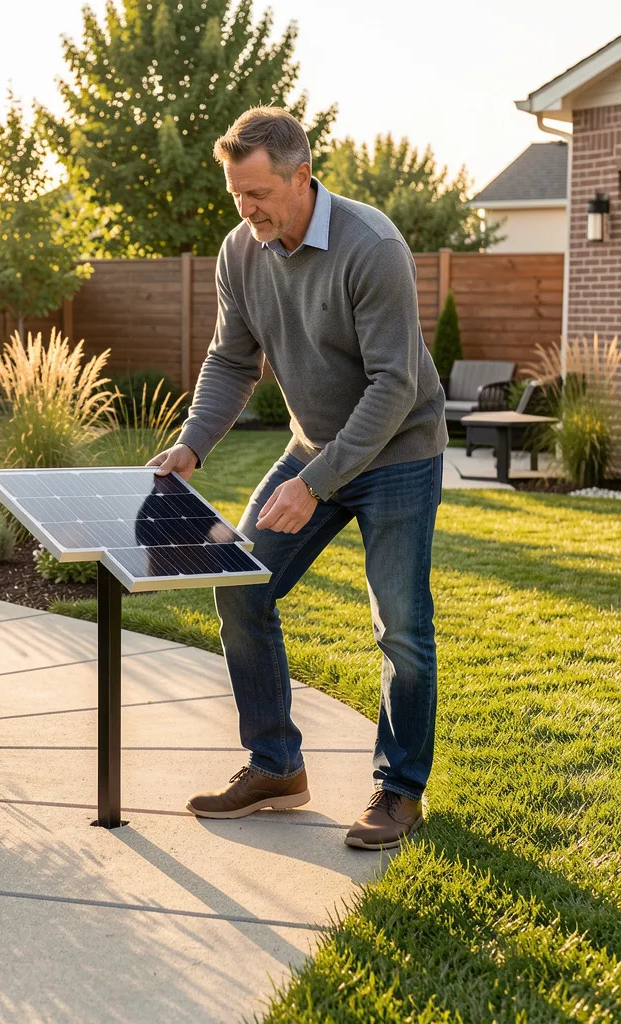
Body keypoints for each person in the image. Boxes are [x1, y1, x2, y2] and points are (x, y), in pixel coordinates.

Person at [148, 106, 448, 850]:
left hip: (399, 454)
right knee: (241, 582)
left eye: (257, 194)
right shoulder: (240, 252)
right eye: (235, 195)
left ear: (301, 177)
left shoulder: (371, 246)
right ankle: (276, 765)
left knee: (401, 627)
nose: (245, 209)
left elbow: (395, 384)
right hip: (313, 447)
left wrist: (314, 482)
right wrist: (192, 446)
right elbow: (229, 360)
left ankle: (399, 790)